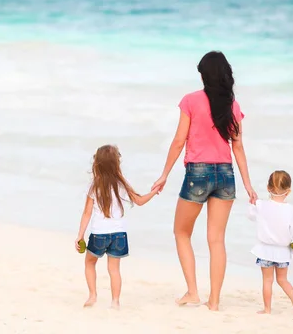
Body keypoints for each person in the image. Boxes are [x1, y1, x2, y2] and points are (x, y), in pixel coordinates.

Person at [152, 51, 257, 311]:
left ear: (203, 75)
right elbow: (239, 148)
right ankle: (215, 302)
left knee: (181, 232)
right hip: (226, 175)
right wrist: (248, 185)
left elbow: (179, 141)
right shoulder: (233, 105)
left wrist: (164, 174)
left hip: (198, 173)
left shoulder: (191, 101)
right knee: (216, 240)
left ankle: (193, 292)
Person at [75, 144, 160, 309]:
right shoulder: (122, 184)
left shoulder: (94, 186)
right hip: (119, 234)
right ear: (117, 164)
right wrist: (153, 192)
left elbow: (87, 213)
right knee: (114, 269)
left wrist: (80, 236)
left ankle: (92, 296)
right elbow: (139, 201)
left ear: (96, 164)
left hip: (99, 233)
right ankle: (115, 302)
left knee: (90, 263)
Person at [247, 170, 293, 316]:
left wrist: (252, 204)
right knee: (283, 280)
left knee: (267, 280)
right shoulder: (292, 211)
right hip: (283, 252)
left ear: (268, 188)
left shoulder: (261, 206)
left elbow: (251, 216)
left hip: (265, 250)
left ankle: (267, 309)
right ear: (288, 191)